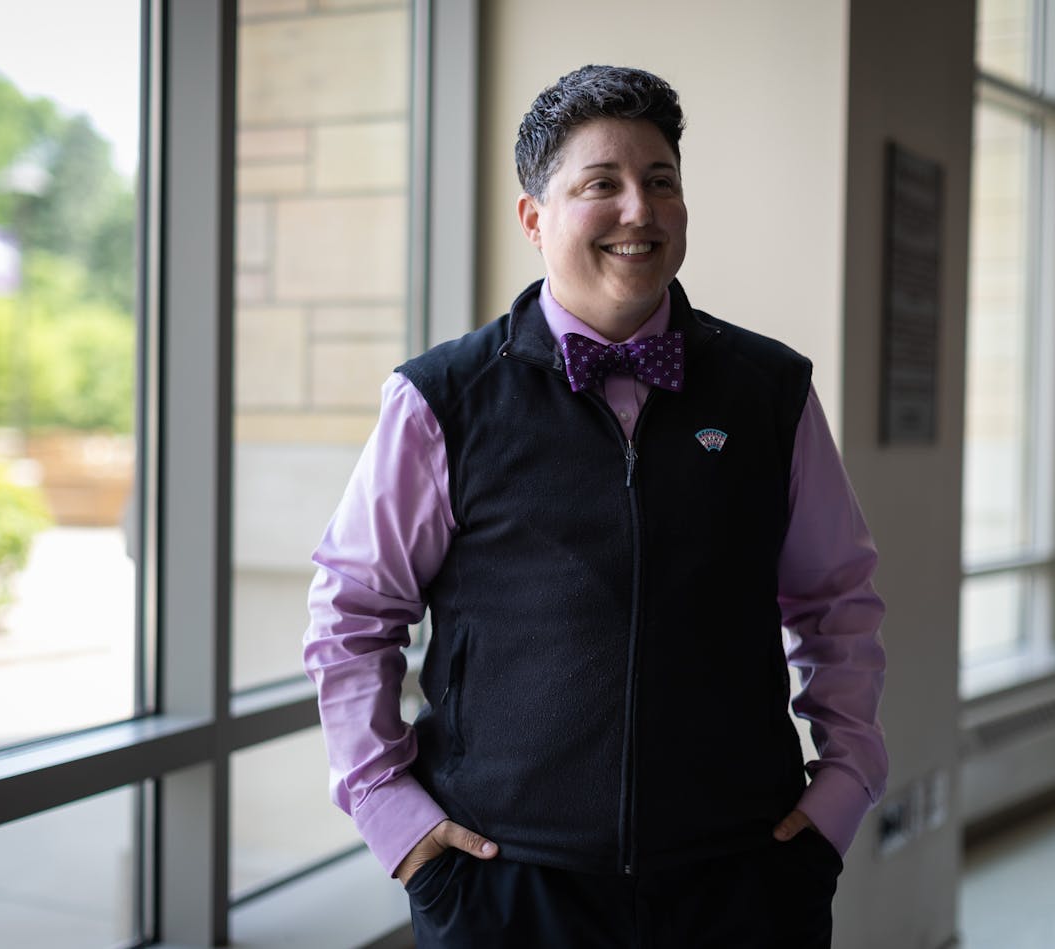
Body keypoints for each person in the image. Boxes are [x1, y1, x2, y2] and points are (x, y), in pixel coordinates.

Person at [303, 64, 887, 948]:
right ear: (534, 217)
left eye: (661, 183)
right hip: (505, 886)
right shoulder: (441, 399)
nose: (639, 211)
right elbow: (352, 613)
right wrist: (399, 822)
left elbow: (837, 599)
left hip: (746, 877)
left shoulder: (771, 390)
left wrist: (842, 791)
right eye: (600, 185)